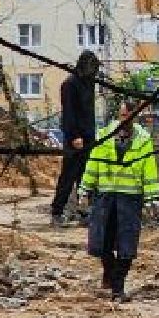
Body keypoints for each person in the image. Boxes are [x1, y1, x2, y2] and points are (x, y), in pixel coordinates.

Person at [82, 105, 159, 300]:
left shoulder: (143, 141)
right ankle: (109, 273)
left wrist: (152, 199)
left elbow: (149, 171)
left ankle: (118, 287)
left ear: (136, 116)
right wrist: (85, 189)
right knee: (103, 242)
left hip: (130, 198)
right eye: (123, 115)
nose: (126, 119)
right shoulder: (105, 136)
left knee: (126, 245)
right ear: (119, 115)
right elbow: (94, 162)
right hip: (106, 196)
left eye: (130, 116)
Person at [48, 51, 101, 225]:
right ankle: (57, 211)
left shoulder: (89, 83)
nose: (93, 72)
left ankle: (84, 212)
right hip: (75, 138)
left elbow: (88, 112)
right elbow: (69, 113)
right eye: (92, 67)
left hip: (88, 136)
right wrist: (74, 136)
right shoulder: (70, 84)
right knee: (69, 176)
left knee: (85, 177)